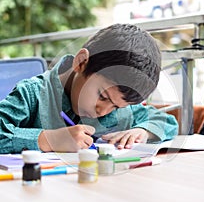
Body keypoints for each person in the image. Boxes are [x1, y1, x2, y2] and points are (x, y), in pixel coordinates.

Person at [0, 23, 178, 154]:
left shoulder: (115, 107)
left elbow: (166, 122)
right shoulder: (32, 94)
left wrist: (142, 132)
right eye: (102, 96)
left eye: (116, 107)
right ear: (81, 62)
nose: (103, 111)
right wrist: (48, 139)